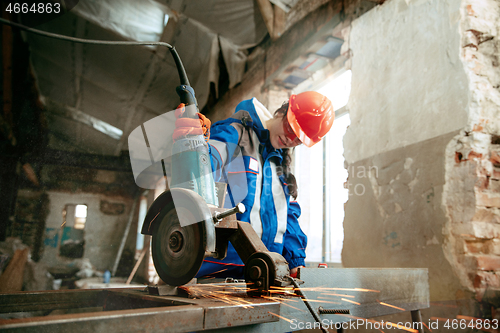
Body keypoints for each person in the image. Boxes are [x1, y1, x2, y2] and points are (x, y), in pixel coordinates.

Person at [173, 91, 334, 279]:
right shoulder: (236, 134)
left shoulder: (280, 167)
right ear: (283, 111)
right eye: (291, 129)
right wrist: (193, 142)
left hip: (260, 274)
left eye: (299, 139)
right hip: (214, 272)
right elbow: (205, 163)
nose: (291, 139)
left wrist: (296, 261)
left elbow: (288, 216)